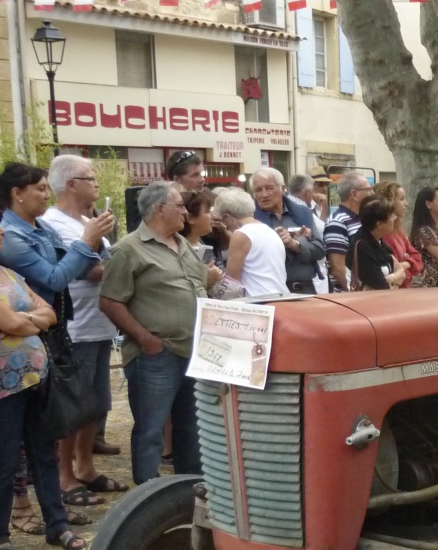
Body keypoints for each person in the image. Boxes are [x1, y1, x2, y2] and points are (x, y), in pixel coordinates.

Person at [0, 198, 85, 550]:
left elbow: (48, 315)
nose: (1, 231)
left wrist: (20, 320)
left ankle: (56, 525)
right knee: (3, 459)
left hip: (36, 378)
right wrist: (25, 319)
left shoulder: (8, 274)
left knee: (44, 453)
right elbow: (21, 321)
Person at [100, 182, 223, 484]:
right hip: (156, 354)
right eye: (179, 205)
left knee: (191, 426)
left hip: (193, 351)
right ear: (159, 209)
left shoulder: (182, 245)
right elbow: (110, 301)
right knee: (151, 428)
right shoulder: (129, 249)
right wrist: (146, 340)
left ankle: (190, 489)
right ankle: (148, 497)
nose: (185, 210)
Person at [40, 155, 127, 504]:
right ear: (71, 184)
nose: (96, 185)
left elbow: (104, 263)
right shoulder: (55, 223)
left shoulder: (87, 221)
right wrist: (123, 263)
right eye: (90, 179)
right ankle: (64, 476)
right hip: (75, 327)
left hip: (99, 323)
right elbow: (89, 271)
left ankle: (86, 467)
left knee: (95, 404)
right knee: (73, 406)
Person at [0, 163, 105, 306]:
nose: (48, 196)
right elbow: (53, 280)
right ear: (17, 193)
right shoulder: (9, 236)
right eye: (41, 189)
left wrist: (96, 237)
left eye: (48, 189)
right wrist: (87, 240)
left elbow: (80, 270)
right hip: (32, 321)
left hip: (57, 320)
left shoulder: (43, 226)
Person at [250, 167, 325, 295]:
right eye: (258, 190)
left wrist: (296, 244)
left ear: (283, 189)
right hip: (269, 292)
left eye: (269, 188)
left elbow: (320, 250)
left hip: (305, 290)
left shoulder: (302, 212)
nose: (264, 194)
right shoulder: (250, 218)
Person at [214, 187, 289, 298]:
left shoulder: (241, 234)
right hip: (281, 296)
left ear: (227, 217)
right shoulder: (269, 231)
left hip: (257, 301)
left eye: (223, 221)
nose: (226, 227)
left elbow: (232, 282)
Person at [323, 171, 372, 292]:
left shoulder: (363, 219)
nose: (372, 194)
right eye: (368, 190)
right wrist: (357, 292)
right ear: (355, 194)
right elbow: (338, 269)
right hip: (353, 297)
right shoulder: (337, 222)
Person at [348, 197, 408, 290]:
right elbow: (380, 284)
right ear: (379, 224)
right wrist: (394, 278)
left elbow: (402, 273)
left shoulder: (379, 241)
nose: (395, 217)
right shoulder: (362, 246)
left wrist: (390, 278)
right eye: (391, 215)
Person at [373, 181, 424, 287]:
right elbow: (394, 272)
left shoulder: (398, 231)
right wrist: (408, 267)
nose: (406, 203)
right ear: (389, 202)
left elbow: (418, 258)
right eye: (401, 199)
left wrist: (405, 264)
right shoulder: (382, 234)